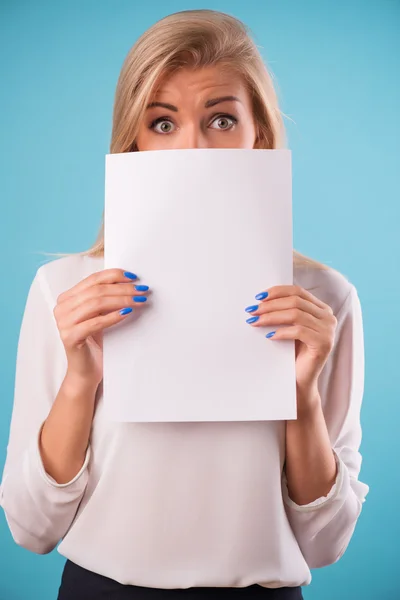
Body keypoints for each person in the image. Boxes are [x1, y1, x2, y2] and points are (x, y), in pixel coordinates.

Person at [0, 9, 369, 600]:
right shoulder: (64, 293)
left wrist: (298, 392)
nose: (193, 147)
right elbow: (30, 527)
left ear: (260, 137)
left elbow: (325, 545)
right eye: (163, 123)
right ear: (134, 143)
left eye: (222, 118)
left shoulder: (323, 303)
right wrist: (80, 380)